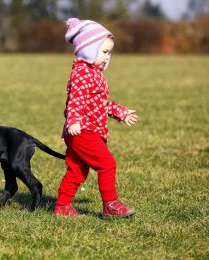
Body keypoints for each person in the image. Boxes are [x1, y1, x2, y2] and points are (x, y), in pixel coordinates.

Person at [53, 18, 138, 219]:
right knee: (107, 164)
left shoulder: (94, 73)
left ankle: (62, 206)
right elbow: (76, 99)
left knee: (77, 171)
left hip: (86, 130)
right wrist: (73, 120)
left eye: (110, 52)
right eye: (104, 52)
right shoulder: (82, 73)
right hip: (83, 131)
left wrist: (121, 112)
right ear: (89, 50)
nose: (108, 57)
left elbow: (100, 103)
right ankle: (111, 204)